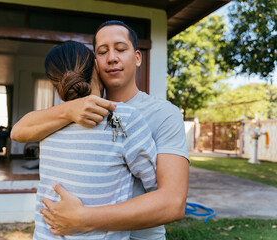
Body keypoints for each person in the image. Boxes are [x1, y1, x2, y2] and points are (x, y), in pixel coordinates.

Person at [11, 20, 189, 240]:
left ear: (137, 57)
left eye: (121, 49)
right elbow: (18, 131)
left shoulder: (164, 113)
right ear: (94, 63)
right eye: (102, 52)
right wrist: (69, 110)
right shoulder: (69, 114)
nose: (112, 57)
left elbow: (173, 203)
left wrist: (83, 219)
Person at [33, 40, 158, 239]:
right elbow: (154, 181)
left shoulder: (44, 125)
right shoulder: (122, 117)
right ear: (95, 65)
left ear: (54, 84)